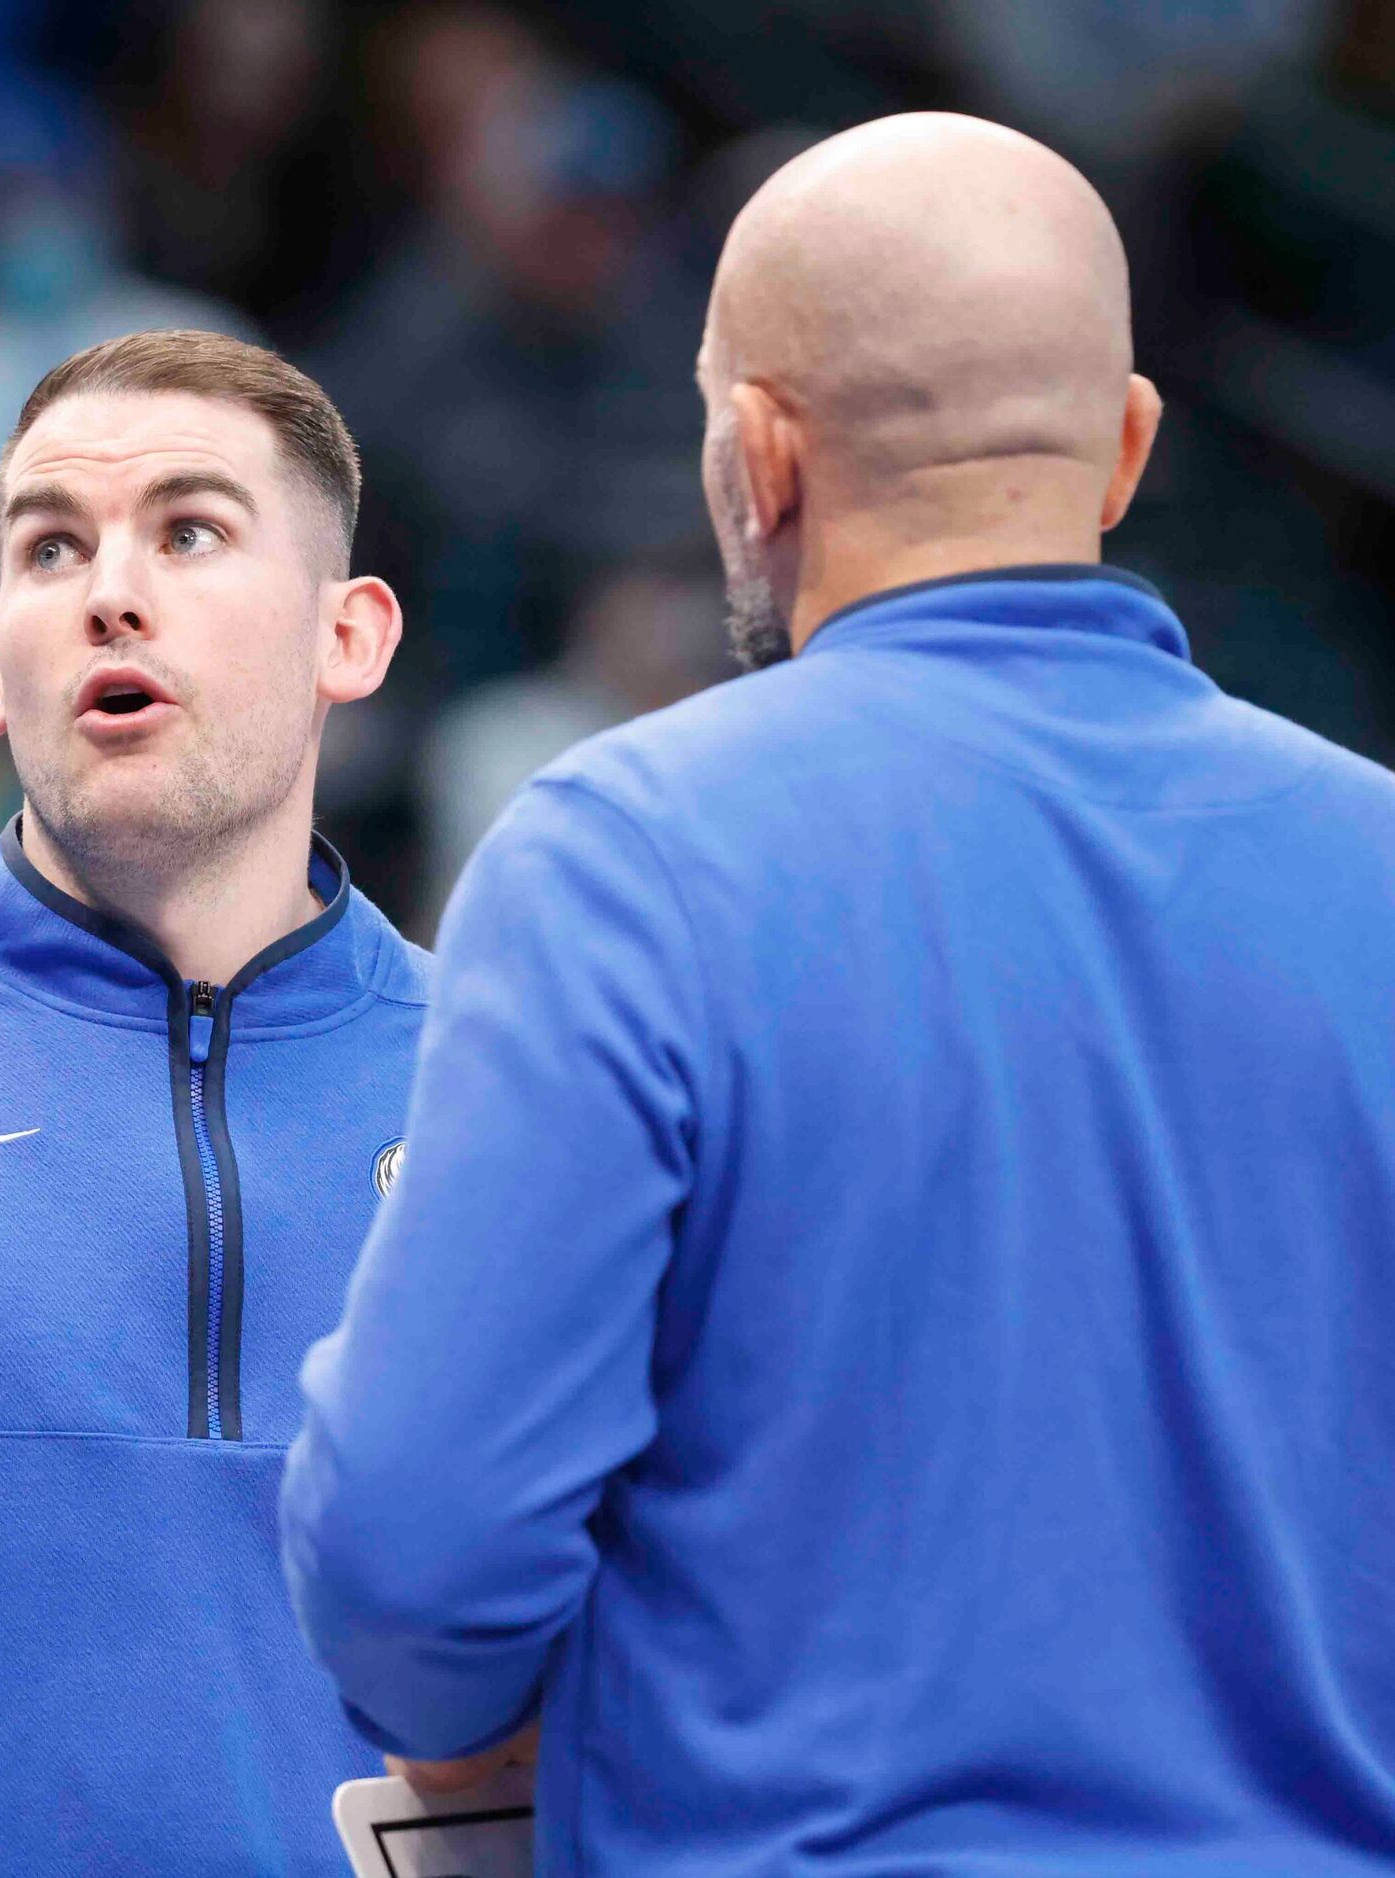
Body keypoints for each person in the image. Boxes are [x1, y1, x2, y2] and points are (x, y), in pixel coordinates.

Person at [282, 111, 1395, 1872]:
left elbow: (418, 1556)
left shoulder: (623, 855)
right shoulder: (1381, 862)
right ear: (1122, 450)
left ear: (755, 457)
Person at [0, 330, 428, 1874]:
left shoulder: (528, 1085)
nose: (109, 590)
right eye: (51, 547)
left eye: (191, 531)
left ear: (352, 636)